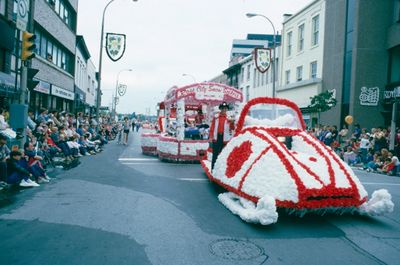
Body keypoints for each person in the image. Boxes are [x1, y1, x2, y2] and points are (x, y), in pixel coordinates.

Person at [210, 102, 234, 169]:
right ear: (220, 109)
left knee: (224, 155)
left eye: (225, 108)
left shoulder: (229, 118)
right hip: (217, 137)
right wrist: (211, 137)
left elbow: (232, 128)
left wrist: (232, 123)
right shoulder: (216, 117)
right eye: (223, 108)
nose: (224, 110)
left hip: (225, 138)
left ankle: (221, 171)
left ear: (227, 110)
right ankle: (213, 169)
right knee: (215, 155)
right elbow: (212, 127)